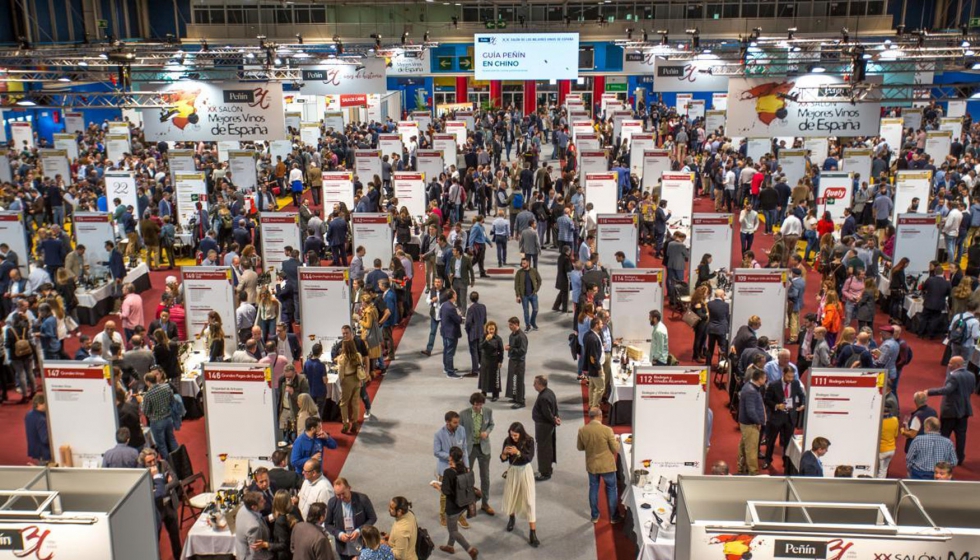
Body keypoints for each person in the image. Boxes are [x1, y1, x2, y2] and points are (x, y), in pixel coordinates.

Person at [925, 356, 975, 466]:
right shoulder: (971, 375)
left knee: (944, 434)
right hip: (964, 410)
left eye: (950, 363)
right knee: (961, 435)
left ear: (957, 365)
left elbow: (947, 390)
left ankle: (941, 456)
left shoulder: (954, 377)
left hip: (950, 411)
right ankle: (960, 458)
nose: (948, 364)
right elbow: (972, 390)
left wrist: (928, 392)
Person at [431, 447, 479, 559]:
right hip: (463, 504)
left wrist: (437, 486)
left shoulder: (448, 472)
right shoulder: (464, 468)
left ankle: (470, 550)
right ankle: (450, 546)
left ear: (451, 457)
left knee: (452, 531)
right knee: (453, 527)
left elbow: (446, 491)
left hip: (452, 506)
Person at [577, 407, 622, 524]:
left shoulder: (582, 430)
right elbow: (615, 448)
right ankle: (614, 516)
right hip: (607, 465)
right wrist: (617, 440)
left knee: (593, 488)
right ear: (600, 416)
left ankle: (595, 516)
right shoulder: (607, 430)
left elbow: (580, 447)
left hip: (592, 465)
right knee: (611, 489)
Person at [500, 422, 539, 547]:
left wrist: (517, 452)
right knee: (511, 497)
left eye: (516, 435)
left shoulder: (529, 441)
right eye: (512, 435)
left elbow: (529, 458)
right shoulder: (507, 440)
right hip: (513, 472)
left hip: (525, 471)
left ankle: (533, 532)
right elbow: (502, 458)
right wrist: (504, 453)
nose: (513, 438)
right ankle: (512, 518)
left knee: (529, 501)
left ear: (521, 433)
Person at [762, 367, 805, 472]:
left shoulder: (795, 383)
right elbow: (767, 400)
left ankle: (786, 461)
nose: (790, 379)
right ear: (783, 373)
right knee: (771, 440)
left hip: (790, 417)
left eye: (792, 377)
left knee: (788, 441)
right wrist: (777, 405)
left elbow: (801, 395)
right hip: (776, 417)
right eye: (788, 376)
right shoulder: (773, 385)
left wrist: (803, 404)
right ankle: (768, 459)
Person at [459, 392, 495, 516]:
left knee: (485, 477)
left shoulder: (488, 411)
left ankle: (485, 503)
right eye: (476, 405)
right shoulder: (463, 414)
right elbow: (459, 431)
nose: (478, 407)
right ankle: (469, 504)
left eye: (480, 405)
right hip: (469, 449)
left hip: (484, 448)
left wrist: (487, 432)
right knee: (467, 478)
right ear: (472, 404)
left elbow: (491, 424)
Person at [325, 478, 378, 560]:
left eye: (343, 493)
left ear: (349, 488)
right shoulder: (332, 502)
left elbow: (372, 518)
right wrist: (339, 534)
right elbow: (327, 524)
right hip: (343, 547)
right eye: (338, 495)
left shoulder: (362, 499)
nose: (341, 497)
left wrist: (359, 530)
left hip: (361, 544)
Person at [433, 411, 470, 528]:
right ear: (447, 422)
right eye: (455, 422)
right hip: (446, 468)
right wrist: (451, 457)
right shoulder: (439, 434)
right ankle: (443, 515)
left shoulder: (462, 430)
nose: (457, 424)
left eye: (458, 422)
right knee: (445, 494)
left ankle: (459, 515)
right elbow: (436, 452)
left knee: (460, 492)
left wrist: (467, 466)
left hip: (460, 468)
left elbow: (464, 448)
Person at [138, 371, 179, 460]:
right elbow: (172, 400)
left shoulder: (148, 395)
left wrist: (141, 402)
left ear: (148, 382)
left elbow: (145, 411)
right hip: (168, 419)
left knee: (162, 444)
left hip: (157, 422)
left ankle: (168, 463)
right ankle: (178, 459)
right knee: (172, 439)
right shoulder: (166, 386)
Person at [737, 369, 767, 475]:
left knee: (744, 446)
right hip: (750, 424)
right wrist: (758, 422)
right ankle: (753, 473)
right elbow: (751, 411)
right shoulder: (751, 391)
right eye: (764, 378)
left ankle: (741, 467)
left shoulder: (749, 386)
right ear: (759, 379)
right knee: (751, 450)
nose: (766, 380)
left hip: (747, 423)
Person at [531, 375, 560, 482]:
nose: (533, 385)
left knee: (543, 449)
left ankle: (544, 472)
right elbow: (554, 408)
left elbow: (546, 413)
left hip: (543, 427)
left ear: (540, 384)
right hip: (548, 426)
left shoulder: (543, 397)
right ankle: (548, 468)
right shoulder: (550, 392)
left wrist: (553, 420)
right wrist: (556, 418)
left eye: (535, 383)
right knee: (548, 447)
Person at [235, 491, 274, 560]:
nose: (265, 501)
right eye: (262, 501)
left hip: (240, 551)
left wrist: (272, 517)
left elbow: (259, 518)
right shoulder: (254, 527)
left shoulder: (243, 508)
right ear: (254, 507)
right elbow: (255, 553)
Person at [335, 339, 363, 435]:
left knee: (344, 403)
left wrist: (341, 382)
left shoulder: (342, 358)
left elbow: (340, 374)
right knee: (355, 403)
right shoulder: (358, 356)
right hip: (357, 379)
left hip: (347, 380)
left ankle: (345, 424)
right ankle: (354, 423)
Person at [504, 317, 529, 408]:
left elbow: (523, 351)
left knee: (519, 380)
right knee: (513, 379)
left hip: (519, 362)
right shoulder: (512, 335)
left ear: (516, 324)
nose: (509, 326)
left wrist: (511, 348)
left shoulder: (521, 336)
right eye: (509, 324)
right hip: (513, 360)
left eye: (511, 325)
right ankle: (515, 397)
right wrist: (510, 347)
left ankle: (521, 401)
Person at [478, 321, 504, 401]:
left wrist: (500, 361)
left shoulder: (498, 339)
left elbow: (501, 350)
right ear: (487, 329)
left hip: (494, 360)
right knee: (484, 376)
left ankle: (495, 394)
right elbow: (480, 347)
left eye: (493, 329)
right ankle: (484, 392)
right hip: (485, 360)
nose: (491, 331)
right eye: (490, 329)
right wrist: (486, 340)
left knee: (495, 377)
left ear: (495, 329)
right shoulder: (483, 337)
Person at [440, 290, 464, 378]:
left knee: (446, 350)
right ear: (453, 296)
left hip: (445, 331)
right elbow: (458, 320)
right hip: (451, 333)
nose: (456, 295)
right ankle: (450, 372)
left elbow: (440, 315)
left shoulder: (444, 305)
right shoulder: (451, 308)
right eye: (456, 294)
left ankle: (447, 368)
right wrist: (460, 317)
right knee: (450, 352)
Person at [514, 257, 542, 331]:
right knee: (526, 311)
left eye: (524, 263)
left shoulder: (534, 271)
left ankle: (532, 322)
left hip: (533, 294)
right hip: (524, 295)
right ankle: (528, 325)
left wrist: (536, 289)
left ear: (528, 263)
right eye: (522, 263)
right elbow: (516, 285)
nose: (522, 265)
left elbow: (539, 280)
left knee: (535, 309)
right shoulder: (519, 272)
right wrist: (518, 296)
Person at [464, 292, 487, 376]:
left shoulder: (471, 308)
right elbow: (485, 320)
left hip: (473, 333)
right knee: (480, 350)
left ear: (470, 298)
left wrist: (468, 331)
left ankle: (475, 370)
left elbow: (468, 322)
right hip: (481, 332)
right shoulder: (483, 307)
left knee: (474, 352)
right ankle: (483, 367)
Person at [705, 289, 729, 367]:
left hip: (712, 328)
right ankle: (721, 366)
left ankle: (708, 364)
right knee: (722, 348)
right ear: (722, 295)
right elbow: (726, 317)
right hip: (721, 329)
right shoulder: (725, 305)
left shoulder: (709, 304)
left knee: (710, 348)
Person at [25, 394, 50, 464]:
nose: (47, 406)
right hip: (44, 452)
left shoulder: (29, 414)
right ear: (39, 404)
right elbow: (45, 439)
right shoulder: (41, 419)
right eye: (45, 404)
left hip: (35, 449)